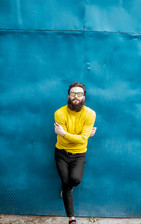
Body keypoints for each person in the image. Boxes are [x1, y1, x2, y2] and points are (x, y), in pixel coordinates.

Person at [54, 82, 96, 224]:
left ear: (84, 97)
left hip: (79, 154)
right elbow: (75, 139)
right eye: (73, 94)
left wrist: (65, 133)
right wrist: (82, 137)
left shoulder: (90, 114)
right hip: (61, 153)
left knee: (75, 180)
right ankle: (72, 219)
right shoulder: (59, 113)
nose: (76, 97)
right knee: (65, 182)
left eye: (79, 94)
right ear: (68, 96)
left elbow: (81, 140)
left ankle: (68, 188)